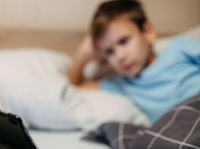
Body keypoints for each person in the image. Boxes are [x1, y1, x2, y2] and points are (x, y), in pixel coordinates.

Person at [67, 0, 200, 123]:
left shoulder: (179, 48)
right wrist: (82, 55)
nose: (119, 56)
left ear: (148, 32)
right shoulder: (122, 85)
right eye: (109, 51)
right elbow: (75, 84)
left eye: (123, 41)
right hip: (181, 128)